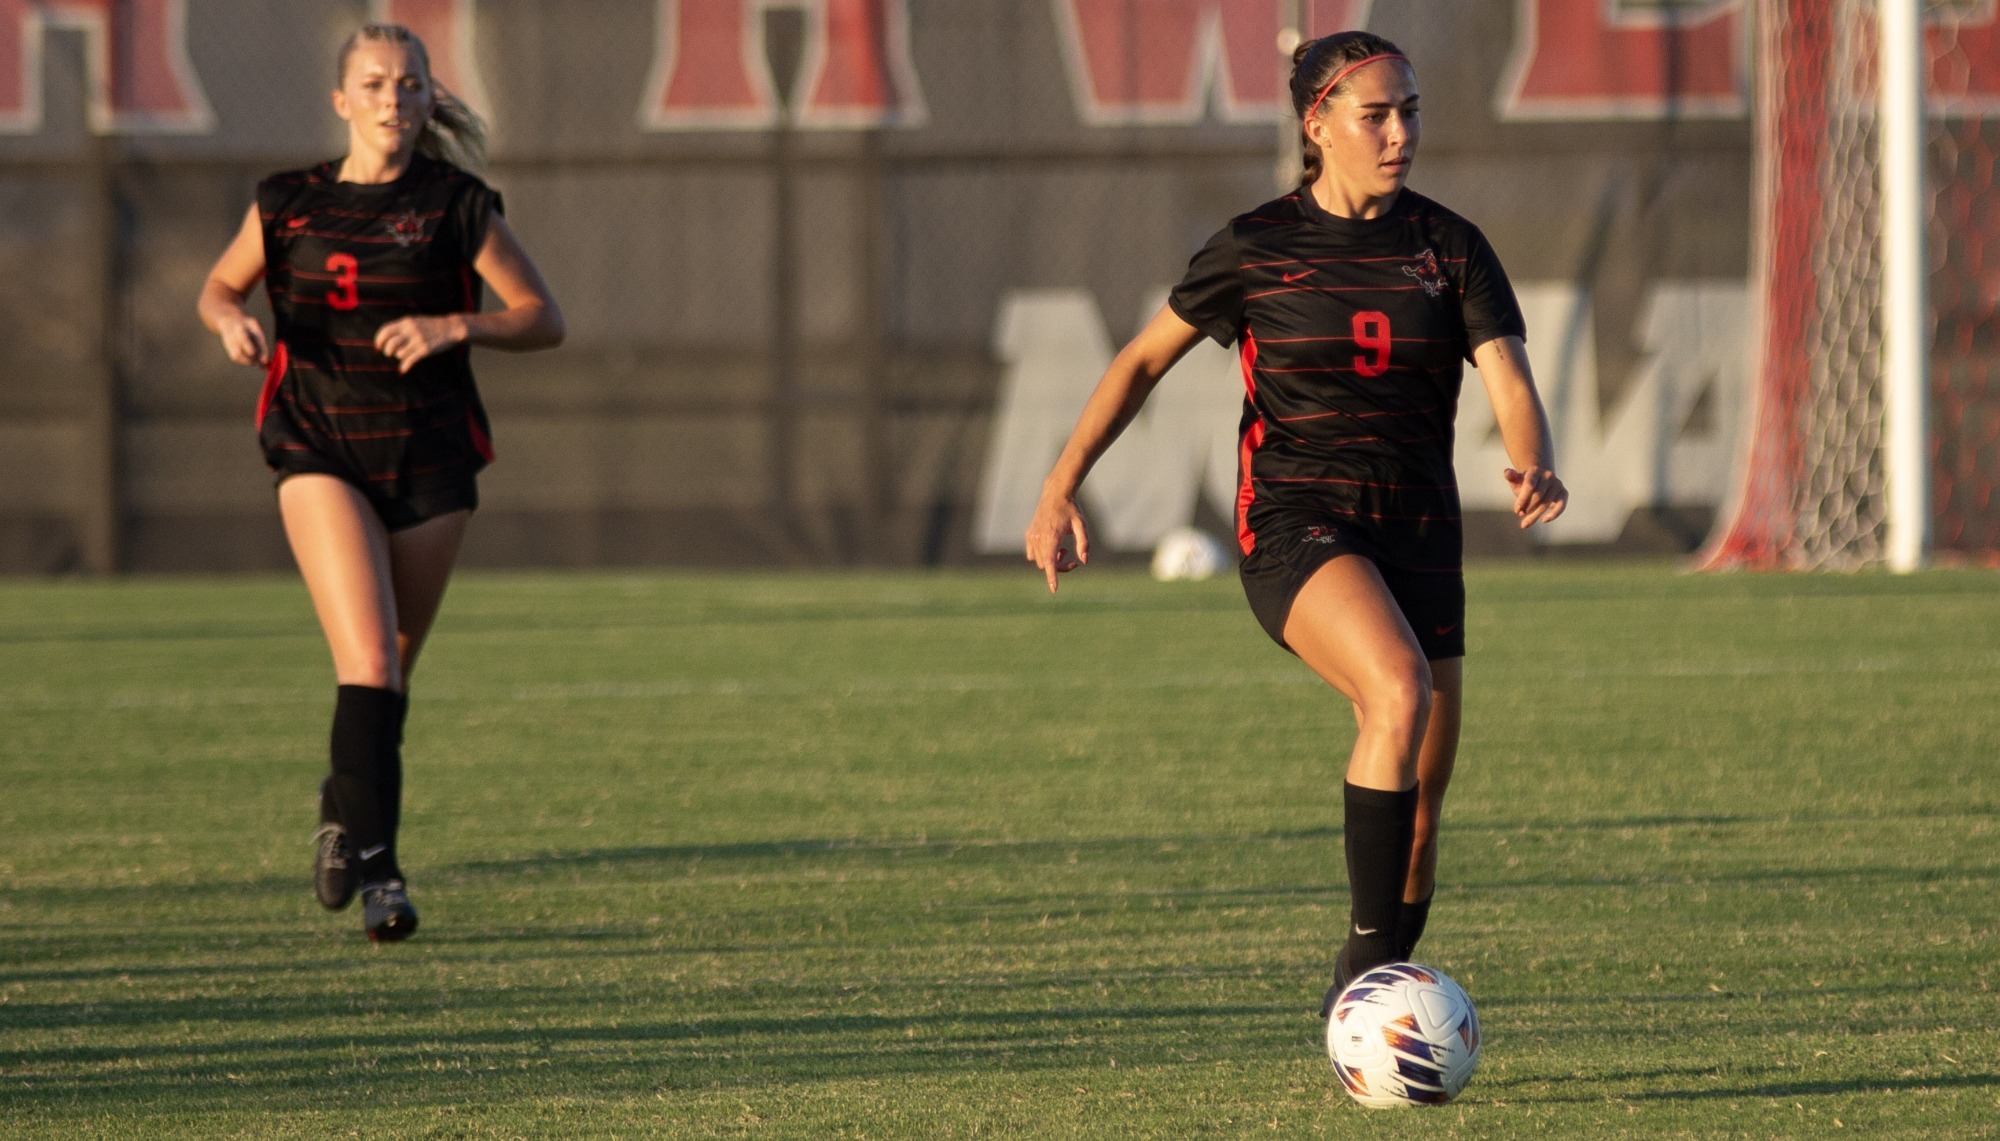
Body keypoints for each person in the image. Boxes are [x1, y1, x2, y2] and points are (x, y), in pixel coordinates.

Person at [1024, 31, 1567, 1012]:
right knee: (1394, 693)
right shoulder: (1256, 248)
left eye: (1408, 110)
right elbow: (1140, 360)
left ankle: (1373, 982)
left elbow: (1507, 377)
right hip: (1293, 525)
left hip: (1417, 533)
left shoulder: (1448, 247)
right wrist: (1061, 482)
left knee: (1420, 808)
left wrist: (1532, 455)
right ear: (1316, 124)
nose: (1399, 131)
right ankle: (1363, 981)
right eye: (1375, 114)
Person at [196, 24, 564, 941]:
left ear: (430, 96)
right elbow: (219, 287)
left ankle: (339, 806)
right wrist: (229, 321)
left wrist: (456, 327)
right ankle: (382, 876)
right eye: (374, 84)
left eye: (409, 84)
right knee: (364, 662)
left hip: (430, 456)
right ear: (341, 100)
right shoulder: (288, 202)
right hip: (320, 443)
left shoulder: (456, 202)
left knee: (388, 673)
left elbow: (541, 318)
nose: (392, 100)